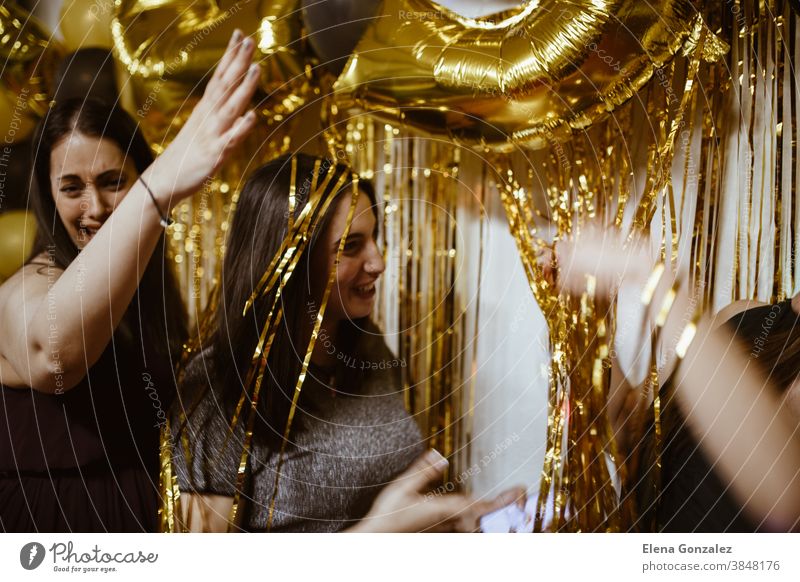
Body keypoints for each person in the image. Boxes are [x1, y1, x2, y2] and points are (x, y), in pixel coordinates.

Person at [172, 154, 526, 532]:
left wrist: (454, 512)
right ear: (288, 263)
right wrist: (371, 538)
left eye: (375, 238)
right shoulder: (218, 389)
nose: (378, 262)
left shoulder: (366, 348)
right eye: (351, 246)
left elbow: (388, 499)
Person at [0, 29, 260, 531]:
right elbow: (54, 355)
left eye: (113, 181)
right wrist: (156, 188)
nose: (94, 209)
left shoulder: (146, 298)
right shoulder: (27, 286)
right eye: (71, 188)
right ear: (47, 195)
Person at [551, 229, 800, 532]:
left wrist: (650, 275)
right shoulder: (741, 317)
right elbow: (627, 426)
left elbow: (783, 498)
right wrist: (579, 314)